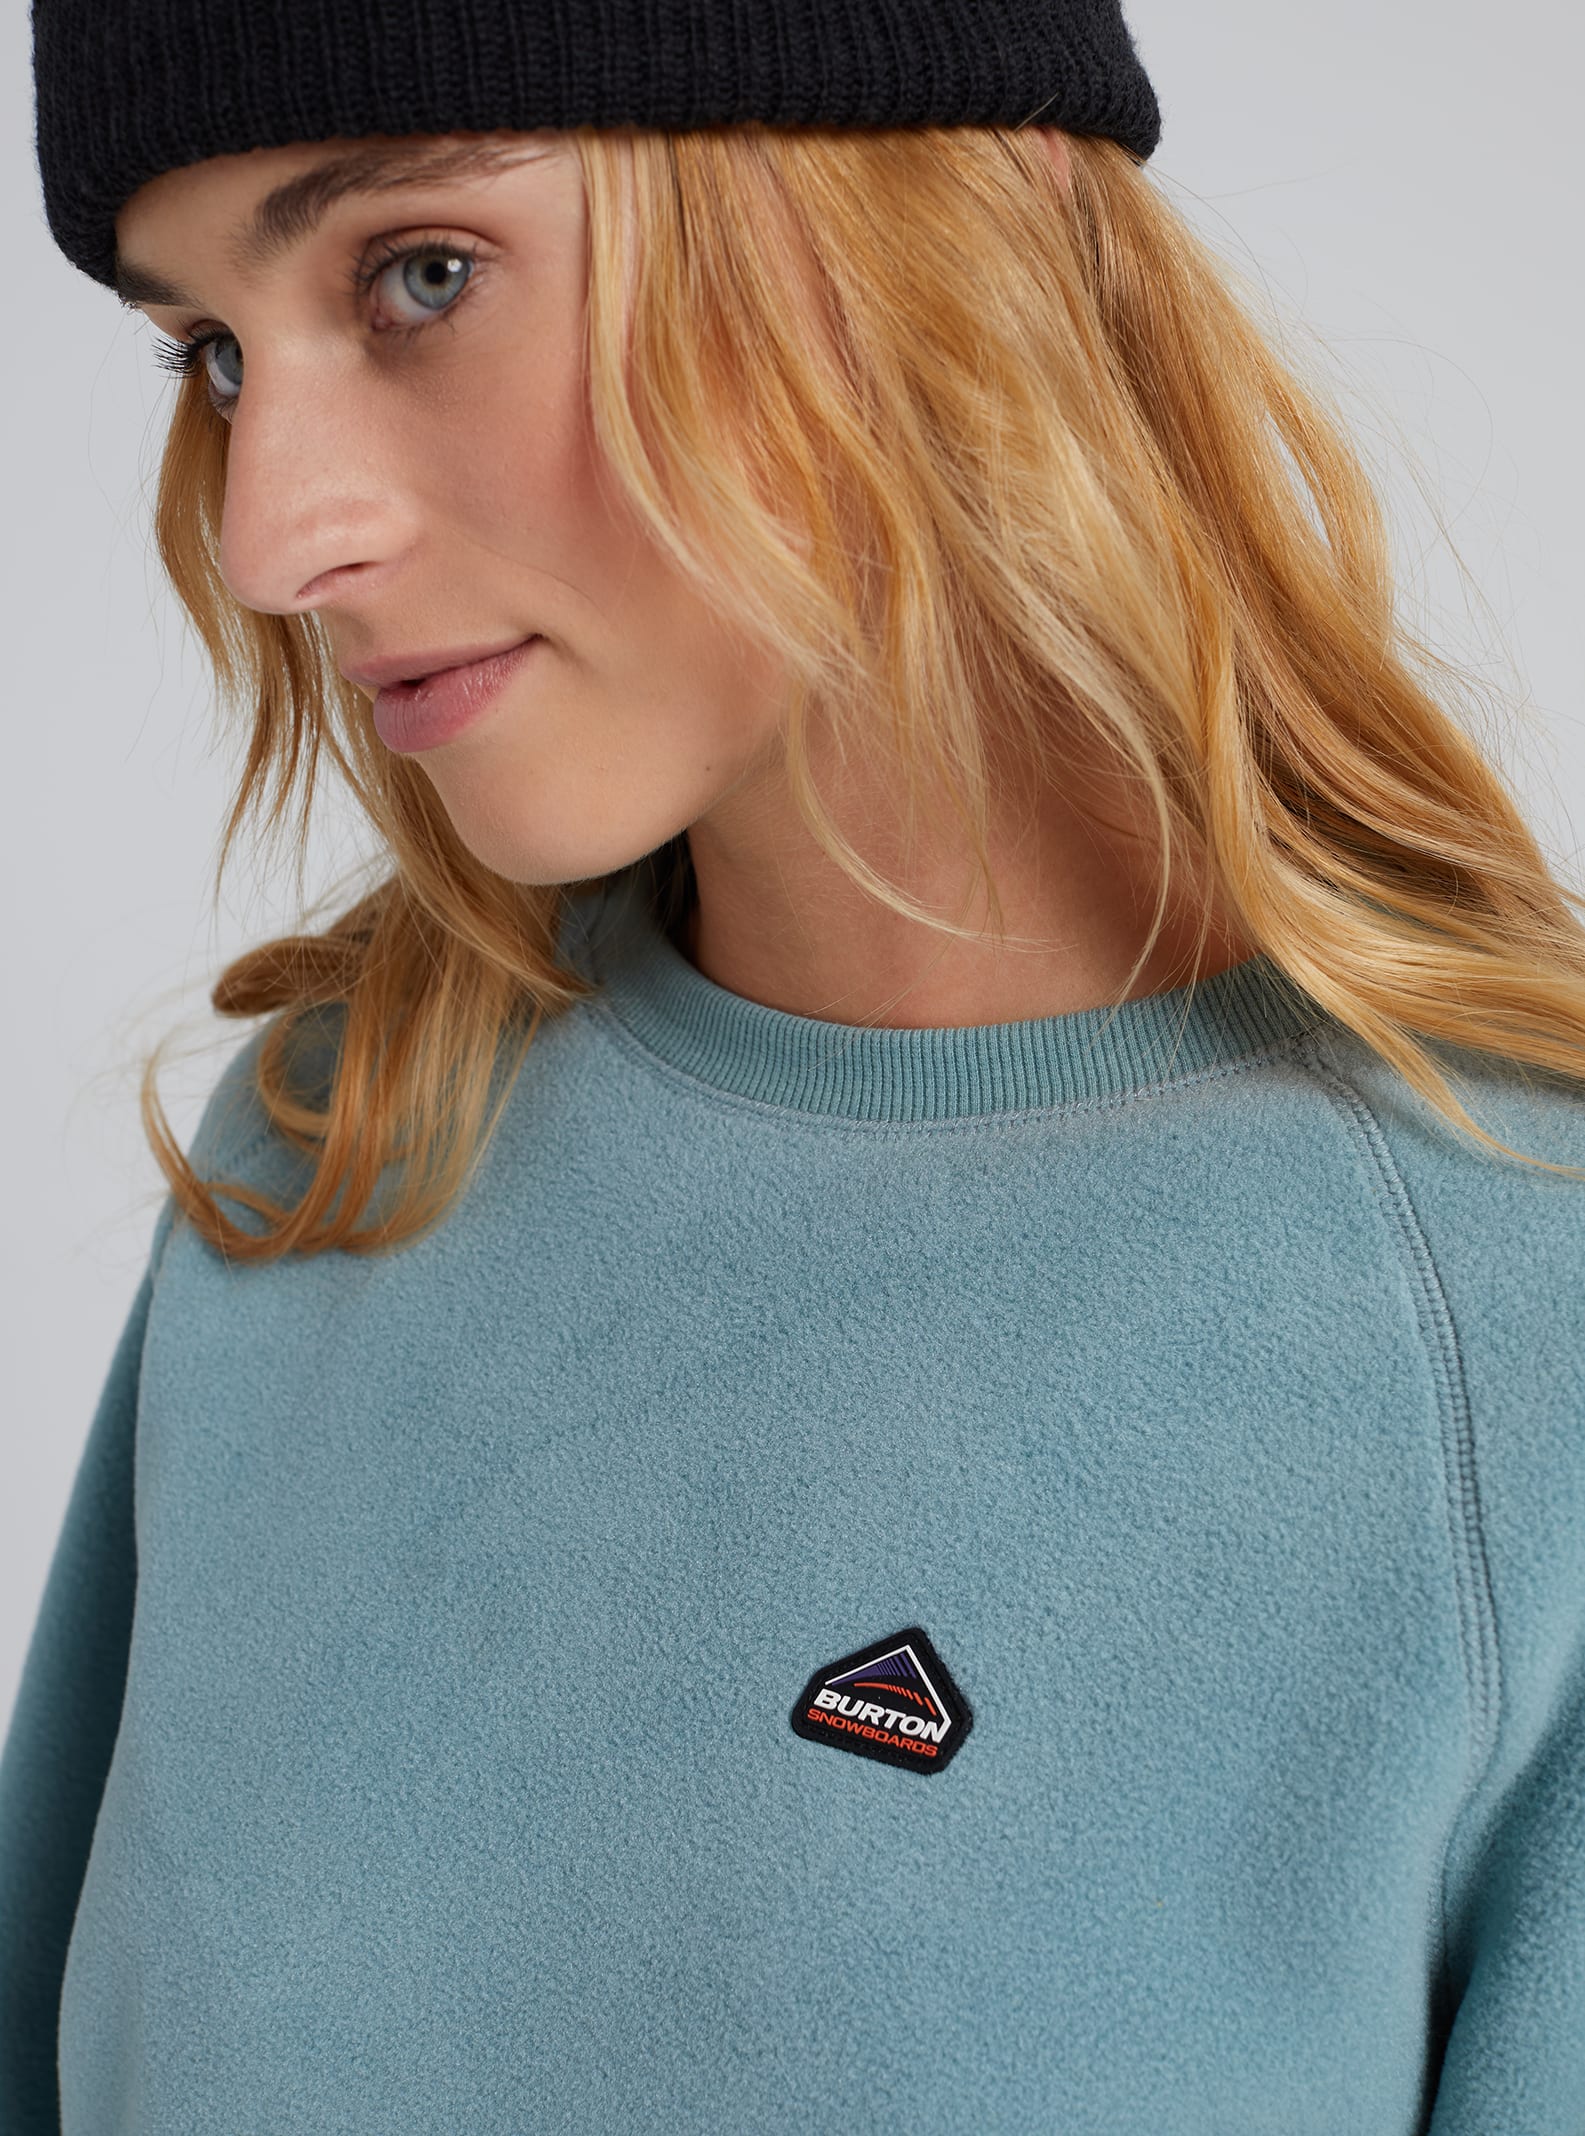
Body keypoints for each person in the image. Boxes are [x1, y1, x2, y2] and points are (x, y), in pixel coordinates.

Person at [4, 0, 1584, 2129]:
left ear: (938, 220)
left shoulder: (1514, 1341)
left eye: (423, 273)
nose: (270, 535)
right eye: (209, 351)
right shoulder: (334, 1146)